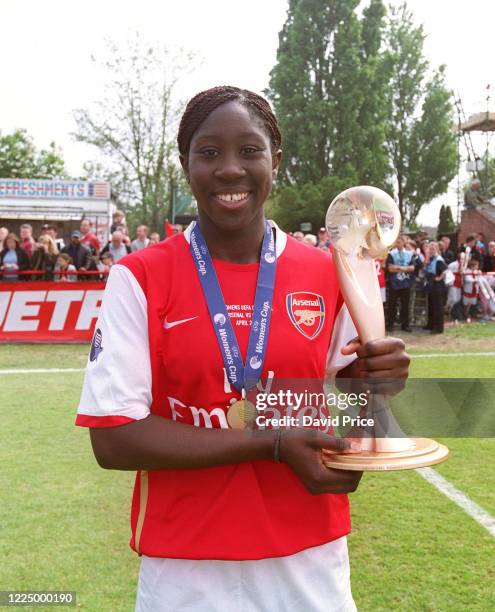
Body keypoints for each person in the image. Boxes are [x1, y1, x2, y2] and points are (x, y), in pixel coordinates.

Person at [76, 85, 410, 612]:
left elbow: (355, 411)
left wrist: (378, 382)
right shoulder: (139, 276)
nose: (230, 169)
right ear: (186, 165)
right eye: (209, 153)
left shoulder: (329, 273)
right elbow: (114, 440)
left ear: (275, 161)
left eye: (249, 151)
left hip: (307, 558)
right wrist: (270, 444)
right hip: (184, 565)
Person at [386, 237, 420, 332]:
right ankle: (390, 325)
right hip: (394, 283)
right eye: (397, 242)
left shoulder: (409, 254)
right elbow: (390, 268)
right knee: (392, 305)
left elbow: (412, 268)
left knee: (405, 305)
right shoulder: (391, 254)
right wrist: (405, 267)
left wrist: (398, 268)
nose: (398, 244)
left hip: (406, 283)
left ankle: (405, 325)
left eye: (400, 242)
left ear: (404, 243)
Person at [424, 241, 447, 334]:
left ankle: (438, 328)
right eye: (430, 248)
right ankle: (431, 324)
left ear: (437, 249)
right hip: (431, 284)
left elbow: (445, 270)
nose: (431, 250)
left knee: (438, 307)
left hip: (437, 286)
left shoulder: (439, 259)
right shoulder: (430, 259)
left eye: (433, 248)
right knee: (431, 305)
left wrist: (439, 278)